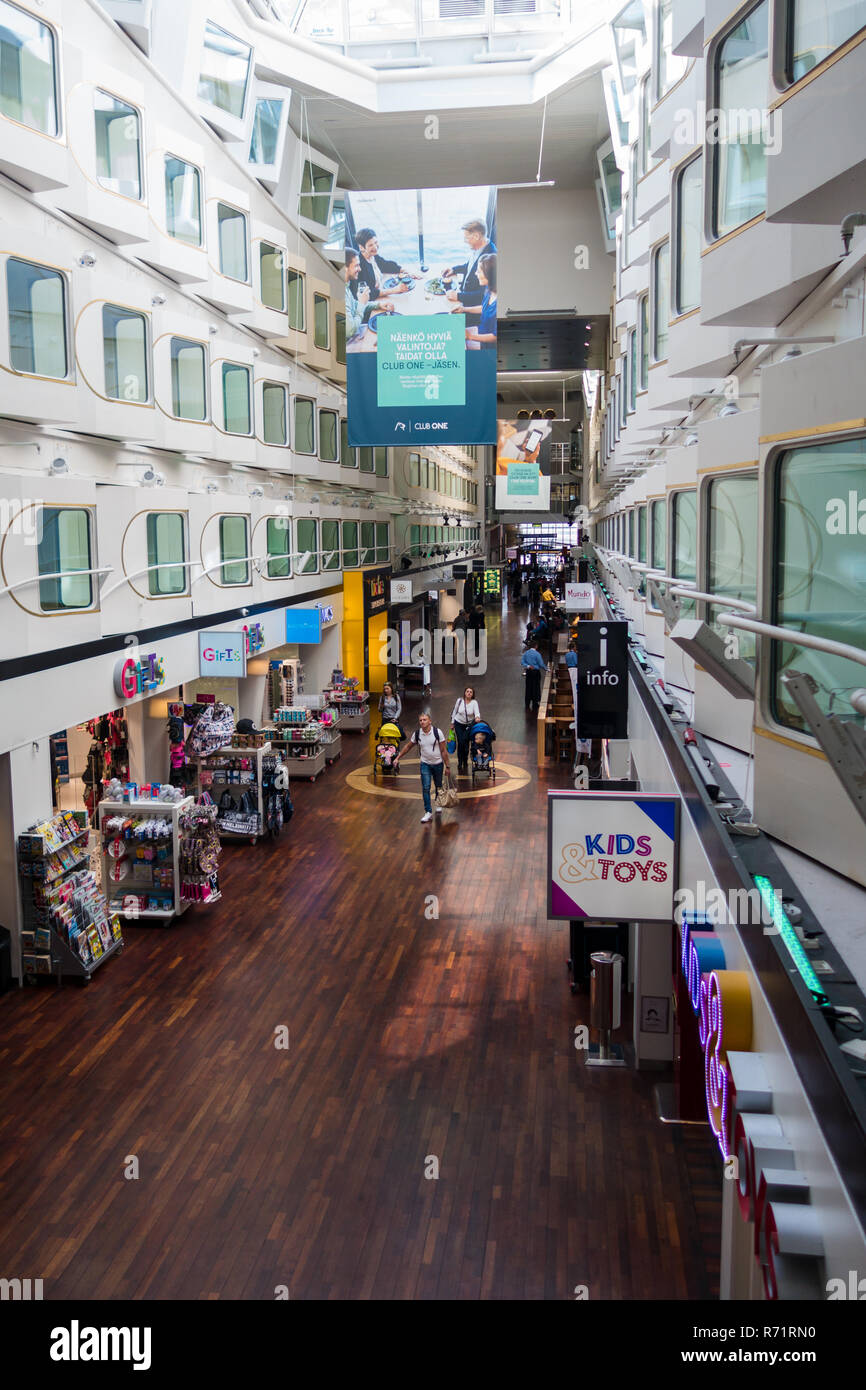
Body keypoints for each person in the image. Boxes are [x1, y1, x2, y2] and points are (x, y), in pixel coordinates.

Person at [394, 713, 452, 823]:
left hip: (438, 763)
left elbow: (443, 751)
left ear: (430, 721)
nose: (422, 722)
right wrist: (398, 757)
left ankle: (438, 802)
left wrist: (447, 766)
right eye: (420, 720)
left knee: (438, 785)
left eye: (424, 720)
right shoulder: (417, 734)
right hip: (425, 764)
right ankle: (428, 812)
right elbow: (408, 746)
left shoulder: (437, 732)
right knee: (426, 787)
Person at [442, 219, 497, 309]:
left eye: (466, 237)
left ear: (476, 236)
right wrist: (454, 269)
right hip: (464, 295)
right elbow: (470, 266)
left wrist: (459, 296)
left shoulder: (490, 259)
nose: (465, 241)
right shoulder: (479, 247)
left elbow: (483, 295)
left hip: (472, 307)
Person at [354, 228, 419, 301]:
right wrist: (394, 290)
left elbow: (386, 265)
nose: (375, 247)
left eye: (376, 242)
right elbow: (369, 293)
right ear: (361, 247)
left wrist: (406, 271)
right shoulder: (359, 266)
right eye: (370, 245)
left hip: (381, 292)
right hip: (373, 301)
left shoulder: (373, 256)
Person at [464, 254, 497, 348]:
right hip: (480, 332)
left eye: (479, 271)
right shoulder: (489, 290)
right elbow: (484, 308)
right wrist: (463, 308)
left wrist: (470, 337)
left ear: (488, 275)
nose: (475, 274)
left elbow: (495, 337)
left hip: (489, 347)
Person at [450, 685, 481, 776]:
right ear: (464, 693)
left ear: (472, 694)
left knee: (466, 743)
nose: (469, 693)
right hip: (458, 723)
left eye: (471, 692)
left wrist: (477, 717)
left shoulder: (474, 703)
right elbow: (455, 711)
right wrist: (452, 723)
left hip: (469, 725)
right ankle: (460, 762)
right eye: (467, 691)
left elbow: (477, 712)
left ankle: (465, 760)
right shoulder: (459, 701)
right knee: (461, 742)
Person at [521, 640, 548, 714]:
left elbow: (522, 662)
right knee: (536, 687)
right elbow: (541, 664)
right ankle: (535, 703)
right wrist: (547, 669)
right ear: (536, 646)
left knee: (528, 687)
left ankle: (527, 703)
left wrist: (528, 666)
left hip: (529, 672)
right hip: (536, 673)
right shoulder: (537, 654)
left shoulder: (526, 653)